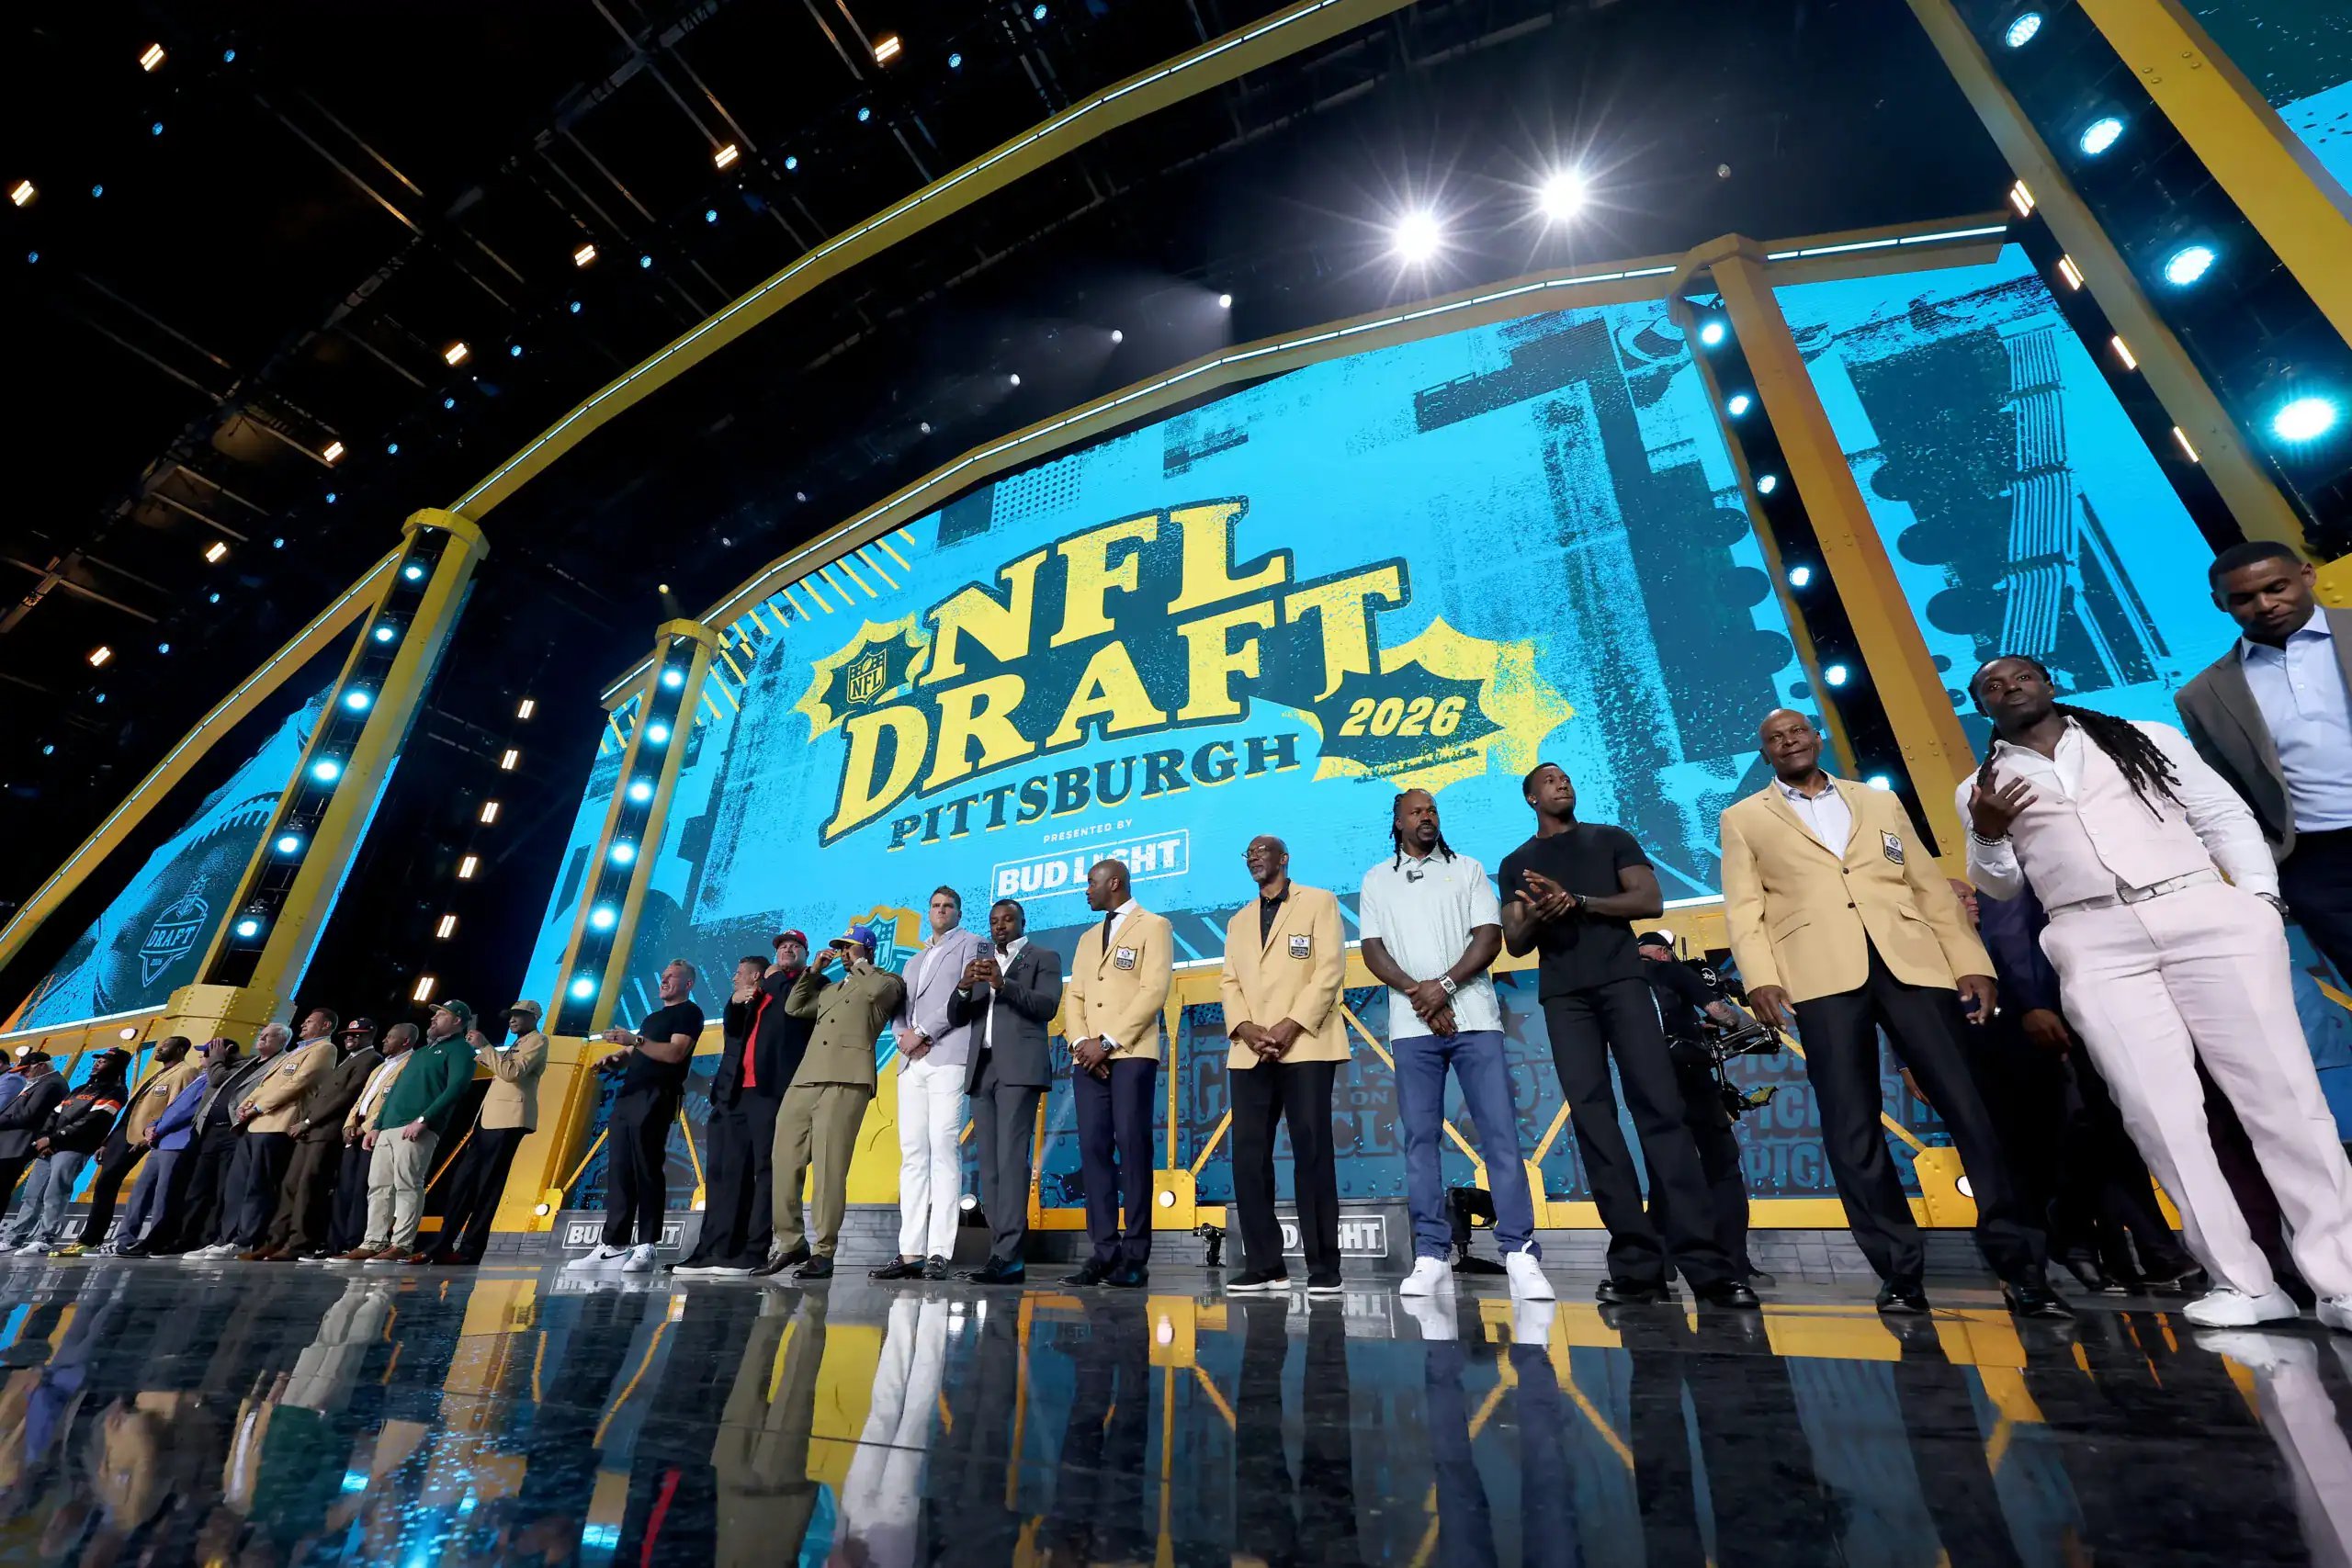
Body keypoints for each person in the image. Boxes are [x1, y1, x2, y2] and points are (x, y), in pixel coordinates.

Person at [1964, 654, 2352, 1331]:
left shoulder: (2142, 736)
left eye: (2021, 677)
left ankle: (2342, 1278)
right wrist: (1987, 832)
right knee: (2158, 1116)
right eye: (1992, 687)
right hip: (2092, 936)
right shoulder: (1979, 786)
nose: (2009, 689)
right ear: (1982, 708)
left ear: (2049, 683)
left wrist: (2259, 900)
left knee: (2282, 1098)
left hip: (2199, 908)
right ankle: (2243, 1282)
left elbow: (2221, 814)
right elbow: (1998, 884)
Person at [1718, 707, 2065, 1318]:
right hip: (1819, 973)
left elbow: (1926, 883)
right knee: (1851, 1124)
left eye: (1797, 731)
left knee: (1972, 1110)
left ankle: (2022, 1268)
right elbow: (1743, 908)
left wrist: (1969, 958)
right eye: (1775, 737)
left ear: (1816, 737)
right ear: (1765, 752)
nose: (1789, 740)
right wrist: (1761, 978)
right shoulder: (1743, 817)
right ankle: (1899, 1272)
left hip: (1914, 962)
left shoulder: (1876, 800)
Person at [1499, 763, 1753, 1307]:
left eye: (1566, 777)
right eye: (1549, 780)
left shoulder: (1611, 838)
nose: (1562, 783)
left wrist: (1580, 901)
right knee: (1594, 1121)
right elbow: (1516, 940)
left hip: (1623, 984)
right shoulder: (1517, 862)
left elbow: (1648, 901)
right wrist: (1544, 910)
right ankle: (1636, 1268)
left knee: (1661, 1111)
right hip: (1565, 997)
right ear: (1530, 798)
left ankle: (1708, 1268)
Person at [1359, 788, 1552, 1303]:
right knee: (1420, 1140)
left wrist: (1441, 988)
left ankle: (1519, 1251)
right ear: (1398, 823)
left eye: (1432, 810)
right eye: (1416, 811)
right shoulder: (1376, 879)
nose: (1427, 817)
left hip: (1475, 1021)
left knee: (1500, 1136)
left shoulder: (1467, 869)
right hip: (1412, 1028)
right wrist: (1420, 996)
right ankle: (1431, 1255)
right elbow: (1372, 950)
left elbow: (1488, 938)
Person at [1962, 882, 2199, 1293]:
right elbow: (2011, 941)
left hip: (2077, 1025)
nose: (1969, 902)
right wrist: (2034, 1006)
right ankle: (2127, 1249)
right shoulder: (2007, 884)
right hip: (2032, 1043)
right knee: (2081, 1143)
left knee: (2106, 1140)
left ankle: (2125, 1252)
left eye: (1968, 896)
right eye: (1959, 898)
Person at [2175, 540, 2352, 981]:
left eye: (2276, 588)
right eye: (2243, 598)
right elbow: (2230, 795)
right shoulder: (2202, 696)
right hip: (2318, 866)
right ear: (2220, 604)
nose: (2265, 605)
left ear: (2307, 575)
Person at [1218, 835, 1349, 1294]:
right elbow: (1229, 982)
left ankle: (1324, 1269)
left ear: (1284, 859)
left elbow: (1330, 970)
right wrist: (1246, 1028)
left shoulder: (1319, 902)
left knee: (1311, 1153)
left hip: (1306, 1043)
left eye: (1262, 852)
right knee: (1249, 1158)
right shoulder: (1237, 921)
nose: (1254, 858)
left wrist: (1292, 1024)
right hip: (1250, 1049)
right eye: (1248, 854)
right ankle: (1265, 1265)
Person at [752, 927, 903, 1281]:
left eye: (850, 947)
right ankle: (790, 1242)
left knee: (829, 1167)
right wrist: (814, 970)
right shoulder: (830, 989)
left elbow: (880, 994)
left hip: (847, 1080)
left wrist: (862, 964)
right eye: (841, 947)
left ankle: (823, 1250)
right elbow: (794, 1006)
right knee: (784, 1161)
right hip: (806, 1079)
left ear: (868, 950)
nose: (844, 953)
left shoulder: (887, 980)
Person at [1060, 859, 1174, 1290]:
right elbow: (1074, 996)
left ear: (1114, 883)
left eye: (1091, 882)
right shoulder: (1088, 937)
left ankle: (1135, 1256)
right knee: (1093, 1149)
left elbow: (1153, 991)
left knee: (1132, 1146)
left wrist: (1107, 1042)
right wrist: (1081, 1043)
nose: (1085, 889)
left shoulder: (1154, 926)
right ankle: (1103, 1253)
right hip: (1087, 1058)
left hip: (1130, 1053)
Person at [1632, 931, 1767, 1286]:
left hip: (1648, 1083)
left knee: (1664, 1171)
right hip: (1690, 1075)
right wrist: (1735, 1022)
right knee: (1722, 1167)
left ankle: (1658, 1264)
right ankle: (1733, 1262)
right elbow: (1722, 1014)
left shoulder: (1625, 981)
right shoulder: (1672, 971)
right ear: (1664, 953)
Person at [679, 933, 814, 1277]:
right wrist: (735, 1002)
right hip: (732, 1093)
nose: (787, 949)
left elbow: (793, 1013)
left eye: (795, 946)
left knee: (765, 1173)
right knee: (724, 1173)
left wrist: (775, 979)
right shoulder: (752, 997)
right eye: (781, 946)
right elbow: (734, 1034)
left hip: (770, 1093)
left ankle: (752, 1252)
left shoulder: (807, 985)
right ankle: (713, 1250)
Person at [949, 899, 1063, 1285]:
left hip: (1019, 1069)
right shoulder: (980, 964)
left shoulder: (1042, 957)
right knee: (989, 1167)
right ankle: (999, 1254)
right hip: (983, 1070)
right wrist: (964, 987)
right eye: (994, 921)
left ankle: (1010, 1255)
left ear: (1022, 922)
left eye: (1007, 919)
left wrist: (1003, 984)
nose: (1000, 926)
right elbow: (956, 1016)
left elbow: (1047, 1006)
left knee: (1011, 1161)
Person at [875, 888, 983, 1281]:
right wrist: (904, 1036)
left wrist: (922, 1032)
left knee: (943, 1147)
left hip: (948, 1055)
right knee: (913, 1154)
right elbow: (900, 1009)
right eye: (935, 905)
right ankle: (910, 1252)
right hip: (911, 1062)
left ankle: (939, 1251)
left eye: (948, 906)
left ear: (958, 913)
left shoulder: (974, 944)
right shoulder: (914, 960)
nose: (941, 910)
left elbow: (966, 998)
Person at [568, 963, 704, 1274]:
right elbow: (633, 1054)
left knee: (647, 1168)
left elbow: (674, 1054)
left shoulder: (690, 1013)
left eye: (672, 977)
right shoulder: (652, 1019)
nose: (664, 980)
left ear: (688, 984)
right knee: (620, 1170)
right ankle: (613, 1245)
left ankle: (646, 1245)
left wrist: (634, 1041)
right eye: (663, 975)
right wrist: (615, 1058)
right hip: (629, 1096)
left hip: (657, 1096)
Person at [348, 1001, 480, 1265]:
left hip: (416, 1128)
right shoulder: (420, 1053)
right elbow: (395, 1092)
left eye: (441, 1015)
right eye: (434, 1015)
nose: (434, 1018)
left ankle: (401, 1243)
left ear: (457, 1020)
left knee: (407, 1184)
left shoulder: (461, 1050)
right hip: (388, 1128)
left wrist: (424, 1119)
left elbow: (456, 1088)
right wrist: (377, 1126)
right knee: (378, 1186)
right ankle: (372, 1242)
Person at [55, 1037, 198, 1257]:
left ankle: (94, 1239)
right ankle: (94, 1239)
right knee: (105, 1183)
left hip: (149, 1136)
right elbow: (131, 1111)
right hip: (125, 1133)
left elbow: (178, 1108)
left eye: (166, 1045)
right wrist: (108, 1141)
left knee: (130, 1185)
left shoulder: (186, 1072)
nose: (160, 1048)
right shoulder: (157, 1074)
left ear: (180, 1049)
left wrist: (152, 1134)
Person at [254, 1020, 384, 1263]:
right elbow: (320, 1095)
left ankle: (298, 1244)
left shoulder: (371, 1059)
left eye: (357, 1034)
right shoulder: (347, 1059)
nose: (350, 1038)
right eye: (348, 1034)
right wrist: (304, 1121)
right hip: (310, 1130)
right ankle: (275, 1241)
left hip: (327, 1131)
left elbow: (346, 1097)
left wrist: (308, 1122)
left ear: (371, 1035)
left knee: (309, 1187)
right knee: (290, 1186)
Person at [430, 1001, 548, 1265]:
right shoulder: (518, 1043)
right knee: (463, 1184)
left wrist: (485, 1046)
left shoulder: (538, 1040)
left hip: (509, 1120)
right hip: (487, 1120)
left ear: (534, 1018)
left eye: (519, 1016)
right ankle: (441, 1245)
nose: (512, 1020)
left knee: (487, 1187)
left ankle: (470, 1250)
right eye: (510, 1016)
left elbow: (511, 1072)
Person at [229, 1010, 341, 1259]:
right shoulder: (296, 1051)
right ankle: (233, 1237)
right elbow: (266, 1083)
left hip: (277, 1124)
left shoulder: (325, 1049)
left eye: (310, 1022)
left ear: (325, 1026)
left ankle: (250, 1239)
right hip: (255, 1123)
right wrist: (245, 1104)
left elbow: (299, 1082)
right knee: (241, 1186)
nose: (303, 1025)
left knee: (261, 1186)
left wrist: (258, 1107)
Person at [173, 1026, 287, 1259]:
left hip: (236, 1130)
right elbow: (221, 1084)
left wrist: (217, 1059)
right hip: (211, 1132)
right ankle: (197, 1240)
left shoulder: (278, 1062)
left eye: (268, 1036)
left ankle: (221, 1239)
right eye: (261, 1035)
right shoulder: (249, 1064)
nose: (262, 1038)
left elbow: (217, 1079)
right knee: (199, 1188)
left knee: (227, 1190)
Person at [5, 1050, 129, 1254]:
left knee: (55, 1193)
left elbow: (93, 1121)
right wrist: (44, 1139)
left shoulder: (116, 1091)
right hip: (49, 1147)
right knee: (32, 1194)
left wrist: (53, 1138)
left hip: (75, 1147)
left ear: (117, 1066)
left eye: (104, 1061)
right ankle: (14, 1239)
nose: (97, 1063)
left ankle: (44, 1238)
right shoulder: (79, 1088)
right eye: (97, 1060)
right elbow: (54, 1115)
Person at [116, 1041, 232, 1258]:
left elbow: (188, 1112)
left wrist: (158, 1129)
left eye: (206, 1053)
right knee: (140, 1192)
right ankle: (123, 1240)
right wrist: (152, 1126)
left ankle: (155, 1242)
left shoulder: (211, 1081)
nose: (201, 1056)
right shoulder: (199, 1078)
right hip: (161, 1142)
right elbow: (172, 1108)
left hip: (178, 1143)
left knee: (164, 1196)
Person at [330, 1024, 413, 1256]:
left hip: (376, 1133)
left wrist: (365, 1128)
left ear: (405, 1041)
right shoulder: (381, 1066)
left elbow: (392, 1103)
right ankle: (335, 1245)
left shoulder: (410, 1064)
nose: (384, 1040)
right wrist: (349, 1124)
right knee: (344, 1189)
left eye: (390, 1037)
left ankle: (355, 1243)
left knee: (363, 1190)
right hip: (356, 1132)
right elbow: (362, 1099)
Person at [0, 1053, 65, 1238]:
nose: (23, 1074)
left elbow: (28, 1115)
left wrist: (2, 1119)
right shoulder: (39, 1082)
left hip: (18, 1144)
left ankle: (22, 1235)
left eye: (26, 1070)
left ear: (41, 1066)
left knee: (3, 1187)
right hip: (10, 1143)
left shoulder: (51, 1084)